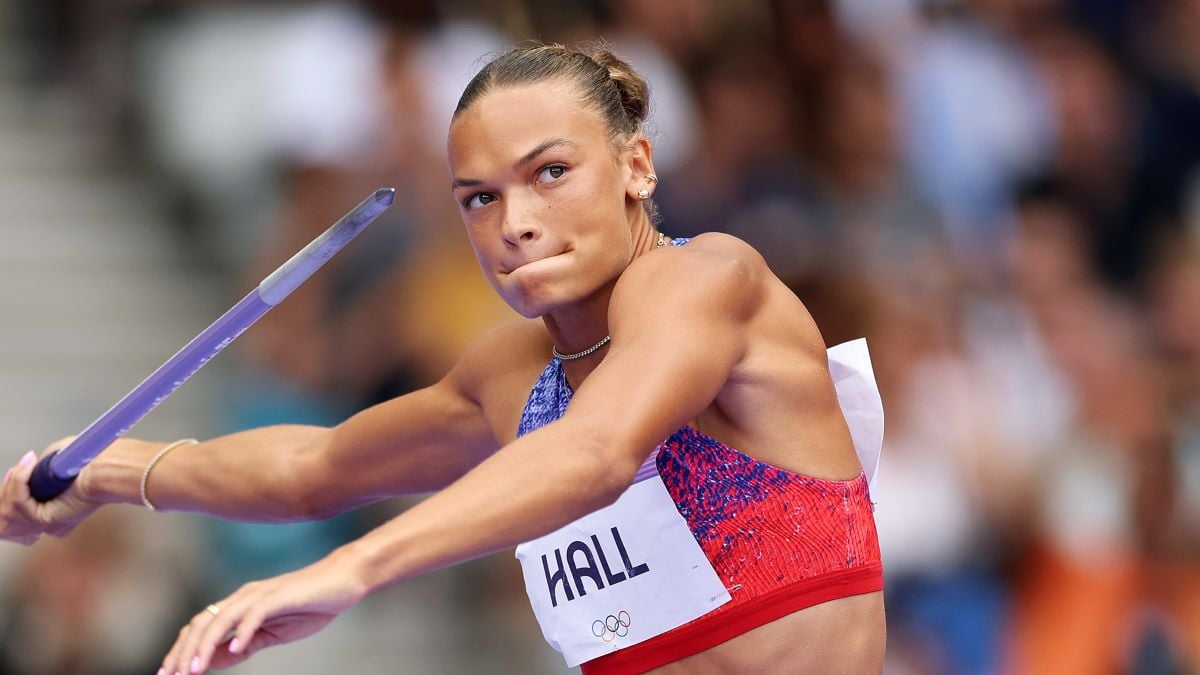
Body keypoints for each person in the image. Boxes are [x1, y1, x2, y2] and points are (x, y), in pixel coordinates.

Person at [0, 44, 885, 674]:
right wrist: (114, 471)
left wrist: (351, 567)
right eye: (478, 198)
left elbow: (596, 454)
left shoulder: (705, 278)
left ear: (637, 167)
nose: (514, 222)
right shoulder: (509, 376)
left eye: (549, 173)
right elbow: (316, 468)